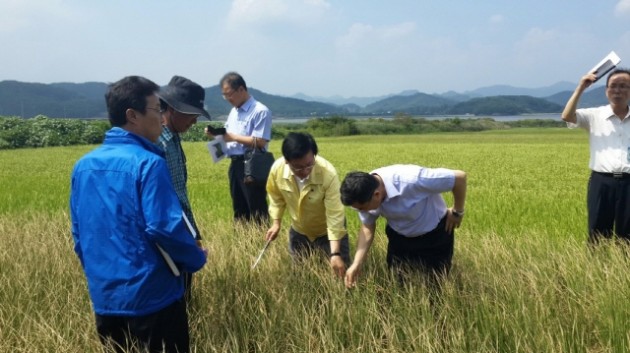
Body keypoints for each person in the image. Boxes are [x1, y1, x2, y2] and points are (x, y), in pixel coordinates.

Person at [70, 76, 207, 353]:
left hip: (105, 297)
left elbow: (79, 234)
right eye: (157, 110)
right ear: (133, 115)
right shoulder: (149, 163)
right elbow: (164, 227)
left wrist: (101, 276)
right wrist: (196, 259)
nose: (161, 117)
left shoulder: (83, 166)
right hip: (153, 297)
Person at [340, 164, 467, 289]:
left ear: (377, 195)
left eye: (363, 208)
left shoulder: (412, 179)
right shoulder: (364, 193)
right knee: (398, 284)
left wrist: (457, 211)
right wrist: (357, 263)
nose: (363, 212)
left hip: (434, 236)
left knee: (435, 285)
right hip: (399, 237)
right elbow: (367, 228)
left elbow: (459, 178)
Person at [265, 132, 351, 276]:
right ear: (287, 161)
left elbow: (335, 215)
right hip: (299, 231)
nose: (305, 171)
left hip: (328, 232)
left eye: (309, 165)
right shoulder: (277, 169)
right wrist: (276, 222)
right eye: (298, 167)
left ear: (314, 156)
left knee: (339, 274)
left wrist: (335, 253)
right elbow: (275, 196)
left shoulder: (327, 173)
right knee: (300, 274)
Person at [561, 68, 630, 244]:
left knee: (628, 235)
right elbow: (567, 116)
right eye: (613, 86)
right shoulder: (594, 115)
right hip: (601, 181)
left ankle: (623, 270)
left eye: (623, 86)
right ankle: (597, 270)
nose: (617, 90)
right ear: (606, 90)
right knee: (597, 234)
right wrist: (581, 88)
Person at [157, 75, 210, 300]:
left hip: (183, 232)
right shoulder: (156, 143)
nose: (195, 122)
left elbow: (180, 194)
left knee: (185, 296)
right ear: (171, 109)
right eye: (191, 115)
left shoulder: (174, 139)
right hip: (168, 237)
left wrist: (193, 233)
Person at [206, 72, 272, 224]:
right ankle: (243, 242)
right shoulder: (233, 112)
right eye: (224, 95)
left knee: (256, 208)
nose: (228, 99)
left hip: (252, 164)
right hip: (235, 164)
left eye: (229, 94)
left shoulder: (260, 111)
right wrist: (216, 135)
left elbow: (261, 141)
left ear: (241, 89)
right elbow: (228, 136)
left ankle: (260, 242)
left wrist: (233, 137)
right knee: (239, 208)